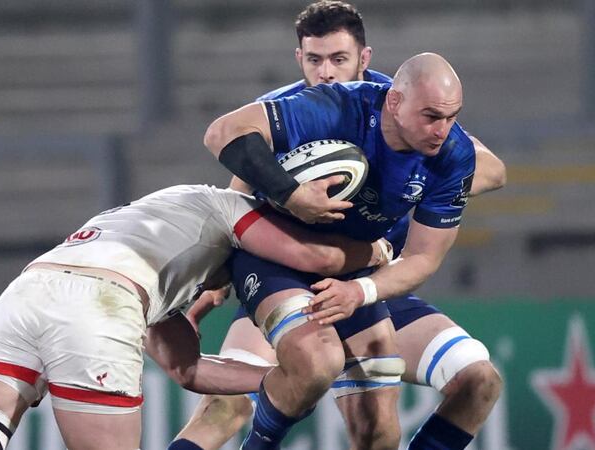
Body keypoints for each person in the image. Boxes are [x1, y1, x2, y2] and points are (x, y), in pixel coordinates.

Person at [170, 4, 506, 450]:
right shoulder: (301, 109)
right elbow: (239, 198)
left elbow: (490, 171)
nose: (327, 73)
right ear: (300, 59)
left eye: (338, 59)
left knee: (456, 388)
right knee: (232, 402)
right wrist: (209, 287)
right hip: (282, 265)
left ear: (364, 59)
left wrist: (418, 185)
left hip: (364, 277)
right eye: (315, 60)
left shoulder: (419, 116)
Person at [0, 183, 394, 450]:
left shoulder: (155, 240)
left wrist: (277, 380)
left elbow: (186, 369)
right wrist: (375, 252)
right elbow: (314, 259)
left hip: (27, 294)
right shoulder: (225, 206)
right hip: (97, 305)